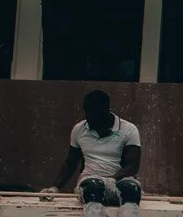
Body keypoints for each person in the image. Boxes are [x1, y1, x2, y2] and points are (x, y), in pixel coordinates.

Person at [53, 89, 142, 217]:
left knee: (131, 190)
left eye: (92, 112)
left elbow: (132, 165)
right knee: (93, 188)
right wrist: (55, 187)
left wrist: (113, 179)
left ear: (105, 110)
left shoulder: (128, 129)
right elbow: (70, 162)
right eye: (86, 111)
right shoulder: (79, 129)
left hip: (120, 180)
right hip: (91, 179)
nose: (88, 116)